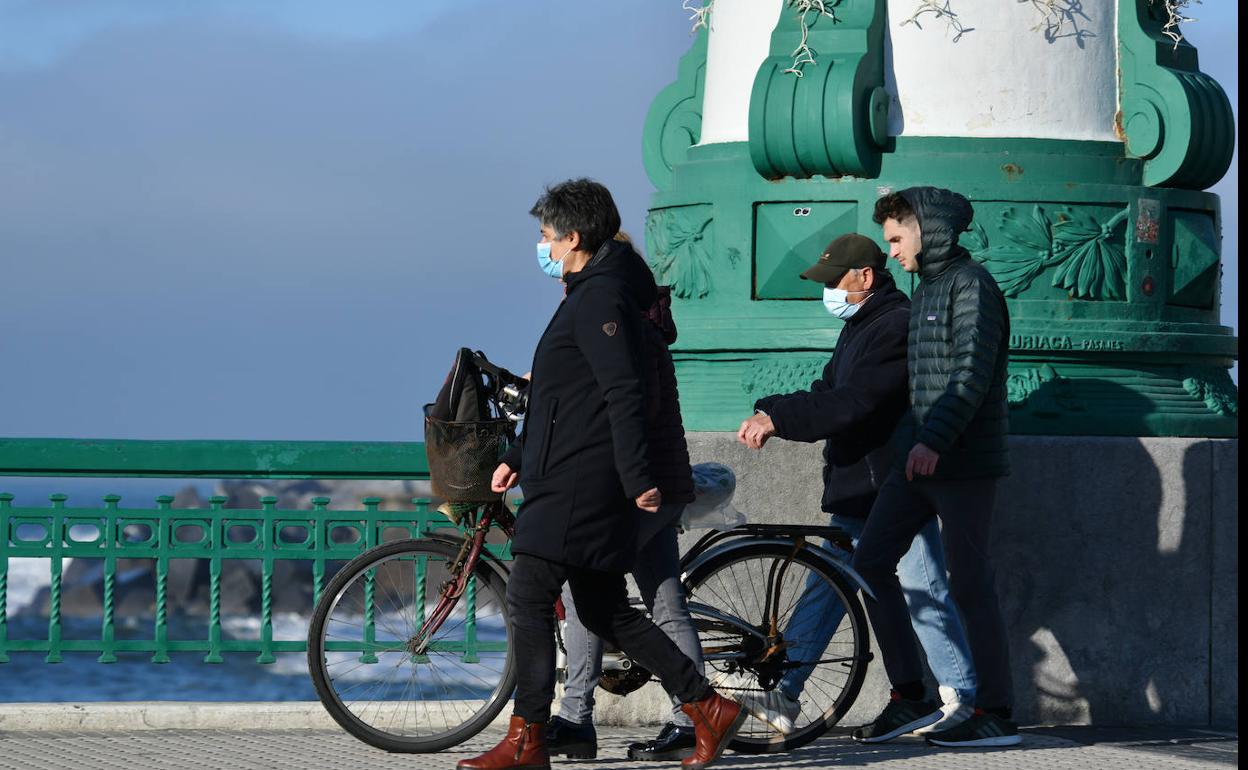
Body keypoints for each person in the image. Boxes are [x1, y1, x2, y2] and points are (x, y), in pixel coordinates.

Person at [458, 179, 743, 770]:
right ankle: (706, 705)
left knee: (529, 596)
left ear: (574, 237)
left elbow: (623, 392)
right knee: (604, 609)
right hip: (571, 470)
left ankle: (527, 738)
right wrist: (516, 451)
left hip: (580, 481)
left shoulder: (600, 298)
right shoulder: (595, 292)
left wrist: (639, 476)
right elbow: (565, 397)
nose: (542, 245)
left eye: (546, 235)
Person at [734, 233, 978, 738]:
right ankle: (787, 691)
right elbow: (829, 391)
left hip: (890, 487)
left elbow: (853, 403)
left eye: (834, 281)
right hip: (857, 489)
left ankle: (962, 698)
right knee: (824, 588)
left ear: (864, 277)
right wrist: (773, 406)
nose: (828, 292)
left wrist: (778, 420)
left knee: (923, 587)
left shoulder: (894, 325)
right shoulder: (863, 324)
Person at [851, 186, 1019, 748]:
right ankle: (911, 695)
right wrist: (912, 445)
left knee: (971, 584)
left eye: (897, 238)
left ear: (929, 228)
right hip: (920, 458)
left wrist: (934, 441)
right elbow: (920, 385)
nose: (892, 251)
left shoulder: (973, 287)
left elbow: (969, 375)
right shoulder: (928, 289)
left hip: (962, 461)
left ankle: (995, 711)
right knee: (870, 562)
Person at [544, 231, 707, 763]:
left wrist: (632, 482)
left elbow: (630, 405)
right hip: (656, 483)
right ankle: (689, 718)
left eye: (552, 240)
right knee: (663, 600)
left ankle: (576, 718)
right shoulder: (627, 312)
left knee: (590, 594)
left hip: (641, 489)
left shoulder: (625, 319)